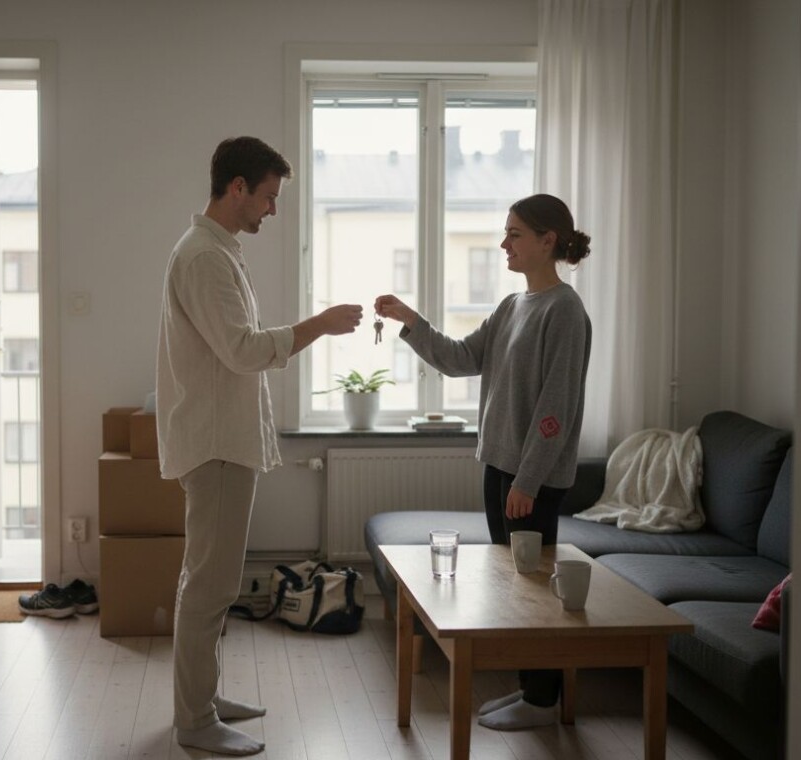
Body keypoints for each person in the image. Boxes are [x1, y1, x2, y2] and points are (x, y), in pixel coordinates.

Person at [156, 136, 363, 756]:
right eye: (269, 196)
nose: (273, 210)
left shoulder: (219, 251)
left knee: (211, 580)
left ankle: (205, 699)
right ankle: (194, 720)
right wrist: (319, 325)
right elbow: (243, 351)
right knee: (211, 585)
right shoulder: (203, 258)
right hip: (216, 444)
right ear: (238, 187)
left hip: (224, 439)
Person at [374, 193, 592, 731]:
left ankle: (543, 702)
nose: (503, 244)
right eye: (505, 232)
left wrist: (529, 480)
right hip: (499, 466)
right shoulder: (511, 307)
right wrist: (410, 320)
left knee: (534, 590)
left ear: (548, 241)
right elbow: (458, 359)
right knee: (515, 588)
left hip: (529, 478)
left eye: (514, 234)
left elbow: (555, 410)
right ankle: (531, 691)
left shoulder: (565, 311)